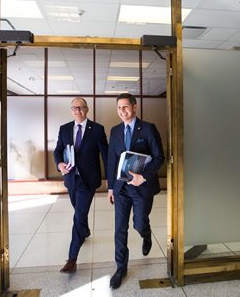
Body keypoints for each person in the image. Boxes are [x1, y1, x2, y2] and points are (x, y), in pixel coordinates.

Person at [107, 93, 165, 289]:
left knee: (139, 223)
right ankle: (120, 268)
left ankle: (146, 234)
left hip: (142, 187)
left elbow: (159, 158)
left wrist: (144, 176)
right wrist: (110, 188)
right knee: (119, 229)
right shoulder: (115, 131)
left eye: (125, 107)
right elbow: (112, 161)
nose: (122, 111)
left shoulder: (148, 129)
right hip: (121, 188)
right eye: (119, 108)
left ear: (134, 107)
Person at [54, 97, 108, 274]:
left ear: (87, 109)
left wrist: (112, 183)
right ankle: (84, 231)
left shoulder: (97, 130)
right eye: (74, 108)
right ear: (71, 110)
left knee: (78, 216)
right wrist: (59, 164)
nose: (78, 110)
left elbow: (106, 156)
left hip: (88, 181)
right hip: (71, 180)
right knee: (79, 212)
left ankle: (72, 259)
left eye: (81, 107)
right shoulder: (64, 129)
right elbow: (58, 150)